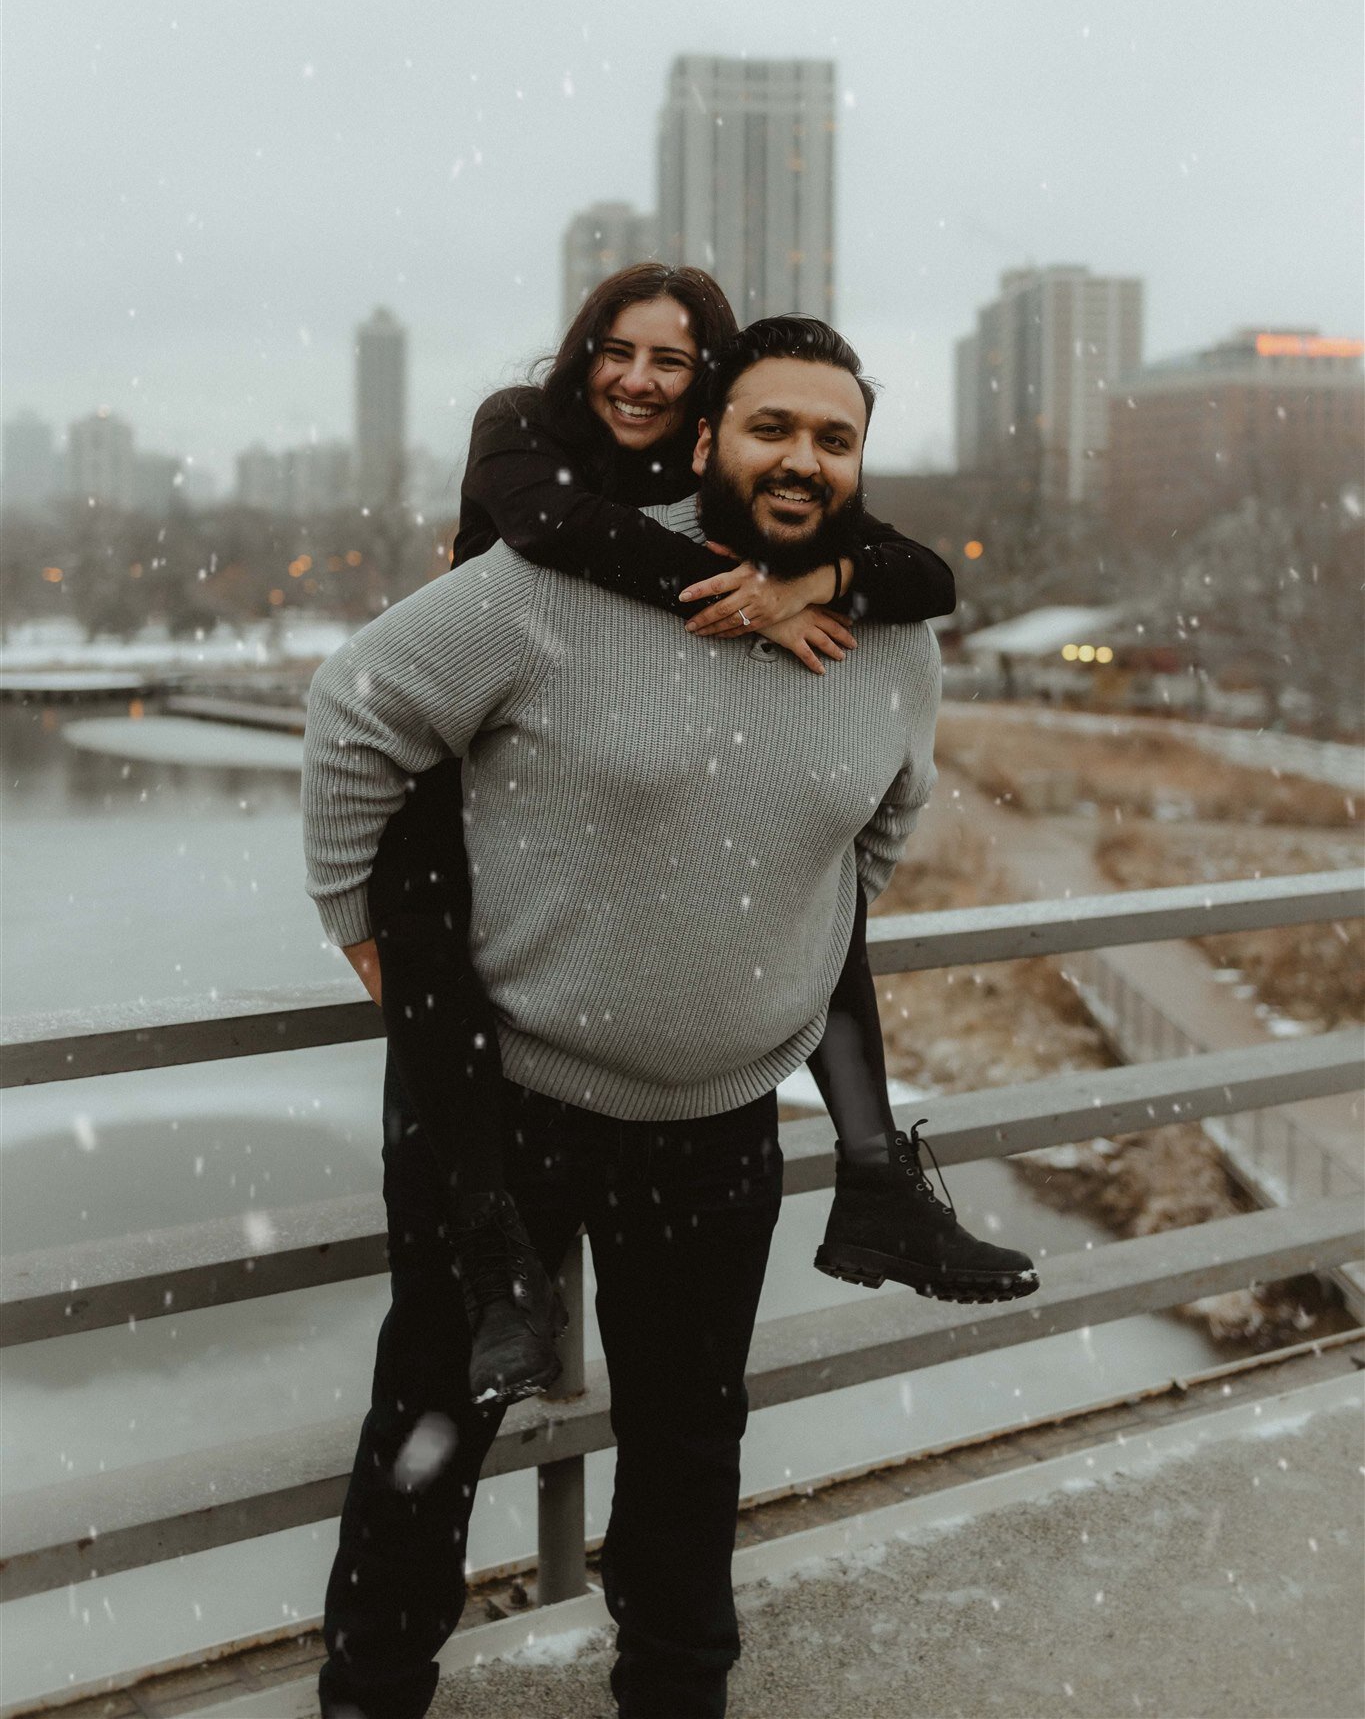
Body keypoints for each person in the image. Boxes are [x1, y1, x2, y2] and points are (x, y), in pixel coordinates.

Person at [302, 314, 1036, 1719]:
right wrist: (362, 930)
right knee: (437, 1431)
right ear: (706, 439)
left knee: (692, 1440)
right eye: (771, 428)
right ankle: (373, 1690)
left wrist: (788, 929)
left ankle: (676, 1691)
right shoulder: (550, 587)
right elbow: (353, 713)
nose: (801, 460)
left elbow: (879, 824)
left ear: (860, 459)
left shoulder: (889, 639)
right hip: (510, 1109)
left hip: (718, 1133)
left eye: (834, 437)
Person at [342, 264, 1011, 1412]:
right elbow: (553, 532)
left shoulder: (765, 477)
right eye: (618, 348)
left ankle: (874, 1175)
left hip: (705, 1110)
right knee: (430, 961)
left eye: (671, 359)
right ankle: (492, 1241)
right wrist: (752, 590)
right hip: (460, 787)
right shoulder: (524, 430)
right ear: (582, 350)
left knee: (817, 880)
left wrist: (829, 572)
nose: (638, 379)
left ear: (703, 395)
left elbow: (929, 576)